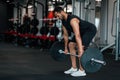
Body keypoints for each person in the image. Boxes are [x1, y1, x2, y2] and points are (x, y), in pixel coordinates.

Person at [53, 7, 97, 77]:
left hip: (89, 30)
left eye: (57, 16)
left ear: (61, 12)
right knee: (71, 44)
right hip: (81, 32)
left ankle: (82, 70)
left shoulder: (73, 20)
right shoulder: (63, 22)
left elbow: (77, 35)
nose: (58, 18)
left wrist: (80, 49)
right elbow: (65, 35)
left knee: (81, 47)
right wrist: (65, 48)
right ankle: (74, 68)